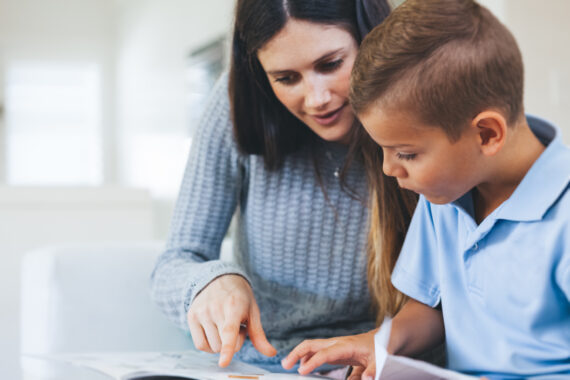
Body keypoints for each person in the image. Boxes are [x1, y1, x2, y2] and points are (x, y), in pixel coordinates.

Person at [282, 0, 570, 378]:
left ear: (486, 134)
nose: (388, 169)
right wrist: (378, 344)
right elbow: (429, 309)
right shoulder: (446, 196)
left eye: (406, 153)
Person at [150, 0, 415, 375]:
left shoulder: (421, 110)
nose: (316, 98)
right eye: (286, 78)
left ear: (369, 38)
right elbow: (173, 263)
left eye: (331, 64)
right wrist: (210, 282)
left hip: (379, 365)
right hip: (265, 366)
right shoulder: (231, 110)